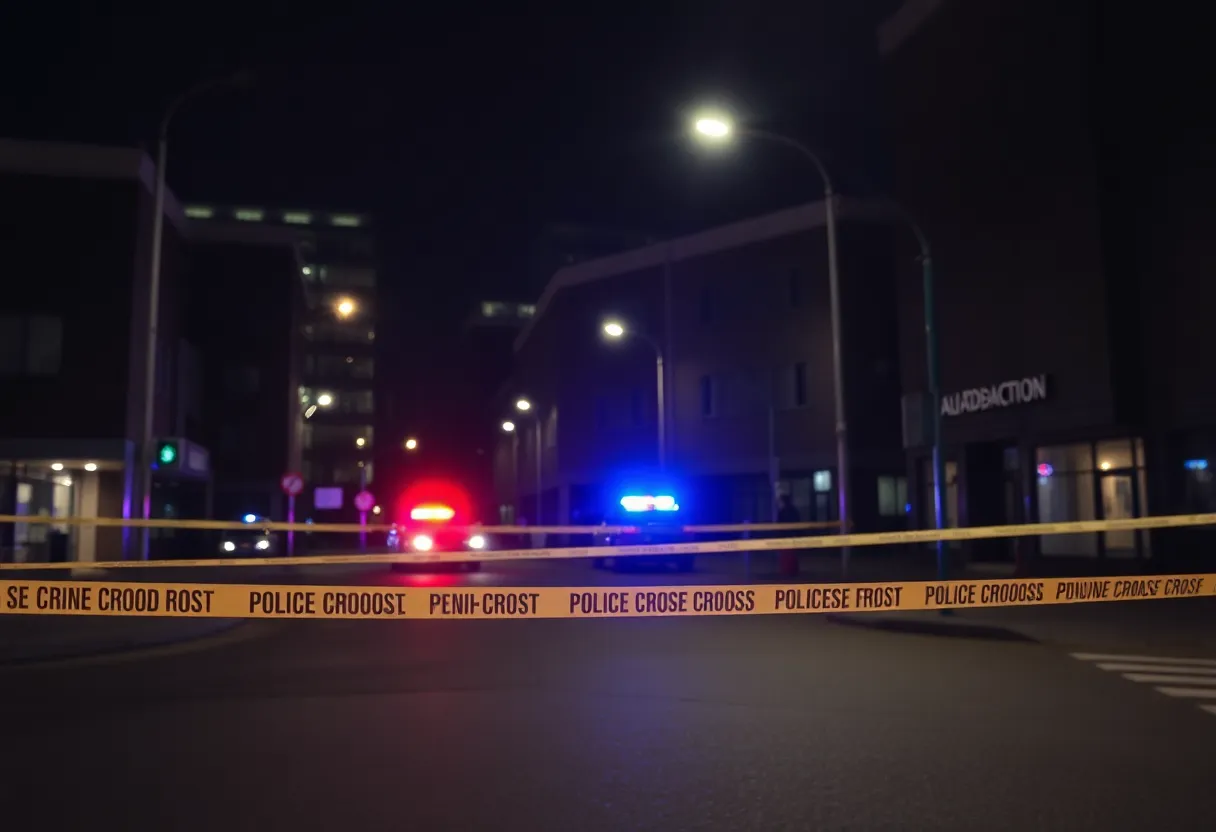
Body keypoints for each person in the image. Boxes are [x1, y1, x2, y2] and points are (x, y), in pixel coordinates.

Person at [776, 495, 800, 577]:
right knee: (792, 554)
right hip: (792, 535)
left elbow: (779, 524)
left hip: (785, 536)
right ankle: (792, 571)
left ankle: (787, 571)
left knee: (786, 554)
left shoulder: (783, 512)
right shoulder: (794, 511)